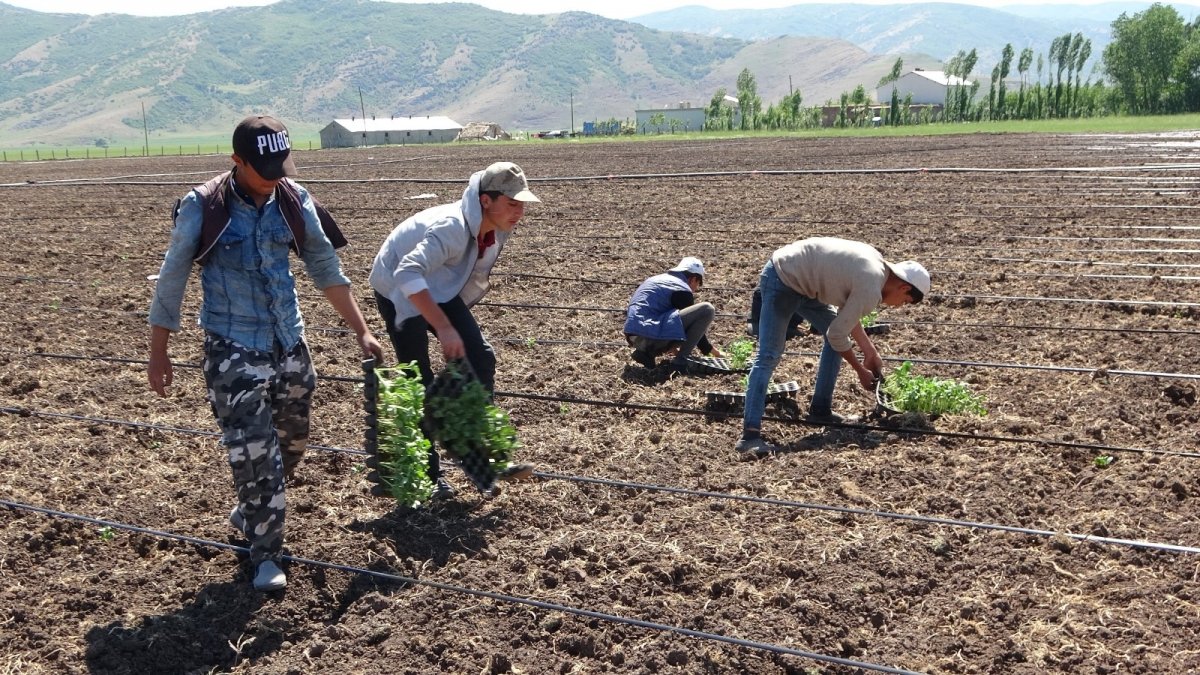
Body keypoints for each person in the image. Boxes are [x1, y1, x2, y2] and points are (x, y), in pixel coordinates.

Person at [147, 115, 384, 592]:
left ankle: (252, 510)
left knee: (291, 443)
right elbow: (172, 277)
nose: (273, 174)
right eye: (262, 167)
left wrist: (362, 330)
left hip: (289, 343)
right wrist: (159, 351)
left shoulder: (294, 199)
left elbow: (323, 263)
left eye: (280, 163)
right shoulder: (203, 207)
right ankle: (266, 556)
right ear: (236, 160)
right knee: (258, 458)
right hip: (233, 347)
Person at [370, 162, 538, 500]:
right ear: (486, 200)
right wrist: (444, 328)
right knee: (418, 379)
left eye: (522, 204)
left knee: (480, 357)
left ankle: (481, 458)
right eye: (512, 203)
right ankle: (430, 478)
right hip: (398, 288)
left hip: (436, 287)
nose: (519, 212)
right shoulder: (451, 227)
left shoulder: (496, 226)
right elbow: (407, 274)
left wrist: (449, 322)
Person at [735, 237, 930, 455]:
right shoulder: (871, 288)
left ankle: (820, 410)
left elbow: (845, 318)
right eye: (904, 301)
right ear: (904, 287)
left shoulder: (877, 266)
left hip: (806, 283)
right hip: (784, 277)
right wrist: (860, 370)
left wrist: (869, 351)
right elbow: (837, 334)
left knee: (831, 339)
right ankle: (749, 438)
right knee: (768, 356)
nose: (898, 306)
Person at [624, 256, 724, 373]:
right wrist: (714, 353)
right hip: (648, 334)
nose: (695, 289)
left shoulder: (659, 280)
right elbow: (693, 327)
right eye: (698, 284)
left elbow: (669, 316)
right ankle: (680, 362)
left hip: (635, 335)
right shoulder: (681, 289)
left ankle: (645, 353)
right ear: (693, 279)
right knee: (707, 309)